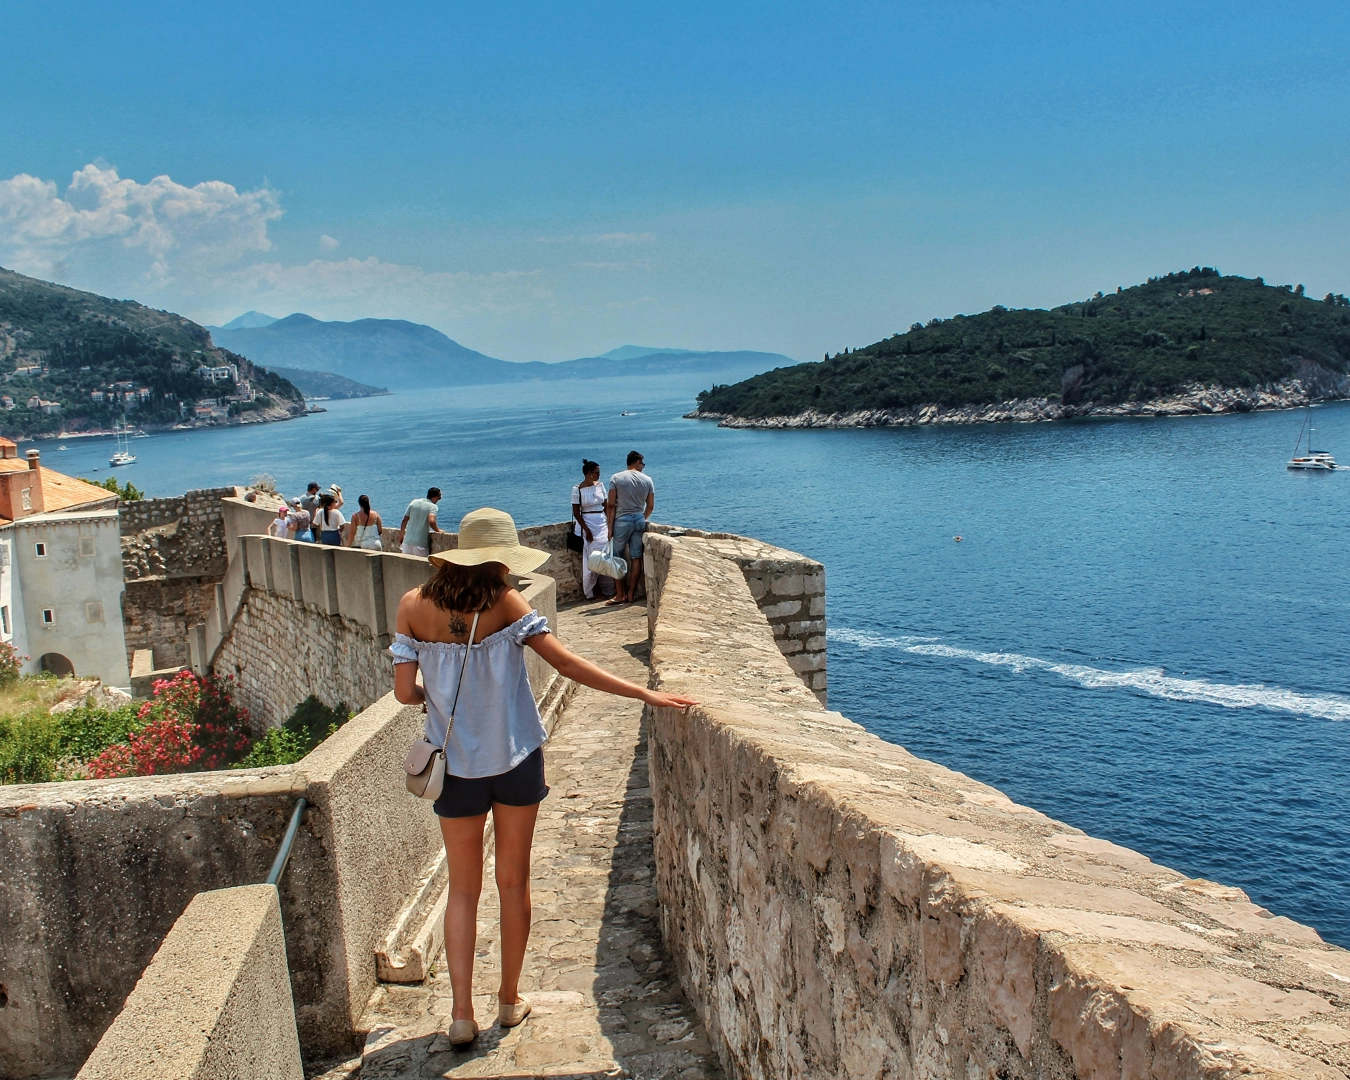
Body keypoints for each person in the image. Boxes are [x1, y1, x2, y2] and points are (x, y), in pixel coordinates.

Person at [390, 508, 697, 1046]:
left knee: (462, 891)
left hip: (454, 768)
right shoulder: (506, 603)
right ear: (502, 559)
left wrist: (430, 700)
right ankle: (508, 1002)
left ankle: (461, 1015)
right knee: (513, 883)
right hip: (514, 760)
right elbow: (568, 664)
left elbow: (403, 692)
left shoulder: (413, 607)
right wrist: (645, 693)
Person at [605, 450, 654, 605]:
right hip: (639, 518)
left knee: (616, 558)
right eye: (642, 464)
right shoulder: (648, 480)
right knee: (636, 557)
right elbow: (650, 506)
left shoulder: (616, 478)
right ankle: (631, 593)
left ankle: (620, 594)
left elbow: (611, 504)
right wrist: (641, 518)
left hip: (621, 521)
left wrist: (609, 526)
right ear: (637, 461)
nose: (643, 467)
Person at [571, 460, 610, 601]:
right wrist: (586, 530)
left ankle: (609, 587)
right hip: (587, 523)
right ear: (589, 473)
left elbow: (606, 506)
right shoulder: (577, 489)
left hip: (601, 522)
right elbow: (576, 512)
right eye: (597, 472)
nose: (599, 475)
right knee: (592, 557)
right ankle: (596, 590)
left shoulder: (600, 486)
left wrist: (610, 524)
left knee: (606, 554)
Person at [399, 487, 443, 557]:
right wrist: (438, 530)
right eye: (439, 498)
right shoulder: (433, 507)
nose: (438, 500)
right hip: (420, 543)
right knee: (422, 567)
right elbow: (431, 521)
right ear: (435, 497)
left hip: (407, 542)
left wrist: (402, 535)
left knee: (407, 566)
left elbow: (404, 520)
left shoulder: (414, 502)